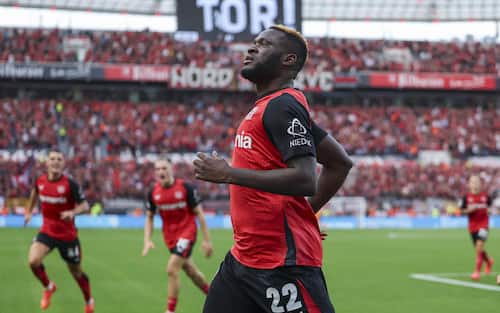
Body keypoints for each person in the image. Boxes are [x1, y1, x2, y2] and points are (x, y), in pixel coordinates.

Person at [194, 25, 353, 313]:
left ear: (288, 60)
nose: (251, 48)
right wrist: (306, 214)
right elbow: (340, 163)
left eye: (264, 44)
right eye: (254, 42)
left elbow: (306, 179)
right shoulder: (272, 105)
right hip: (242, 261)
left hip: (282, 266)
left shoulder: (283, 106)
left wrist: (227, 173)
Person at [24, 149, 94, 313]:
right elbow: (35, 193)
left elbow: (85, 206)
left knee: (76, 272)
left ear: (63, 164)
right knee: (33, 261)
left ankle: (89, 300)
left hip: (67, 236)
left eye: (59, 159)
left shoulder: (70, 184)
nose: (56, 162)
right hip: (47, 232)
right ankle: (49, 287)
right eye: (52, 159)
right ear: (47, 163)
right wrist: (28, 211)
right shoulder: (40, 181)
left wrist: (72, 212)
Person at [142, 158, 213, 313]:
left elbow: (199, 214)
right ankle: (214, 296)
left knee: (172, 269)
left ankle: (170, 310)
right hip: (170, 238)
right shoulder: (153, 193)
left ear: (171, 169)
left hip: (187, 232)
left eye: (164, 168)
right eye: (158, 169)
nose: (161, 172)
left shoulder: (185, 188)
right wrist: (147, 240)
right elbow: (149, 217)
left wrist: (207, 241)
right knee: (192, 272)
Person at [460, 175, 494, 280]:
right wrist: (468, 210)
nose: (475, 184)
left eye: (477, 182)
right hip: (472, 227)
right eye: (472, 182)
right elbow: (461, 211)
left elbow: (490, 208)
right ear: (469, 184)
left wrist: (489, 210)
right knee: (479, 249)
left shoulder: (486, 196)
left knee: (479, 247)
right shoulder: (466, 197)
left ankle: (476, 272)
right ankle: (488, 261)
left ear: (480, 184)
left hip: (484, 226)